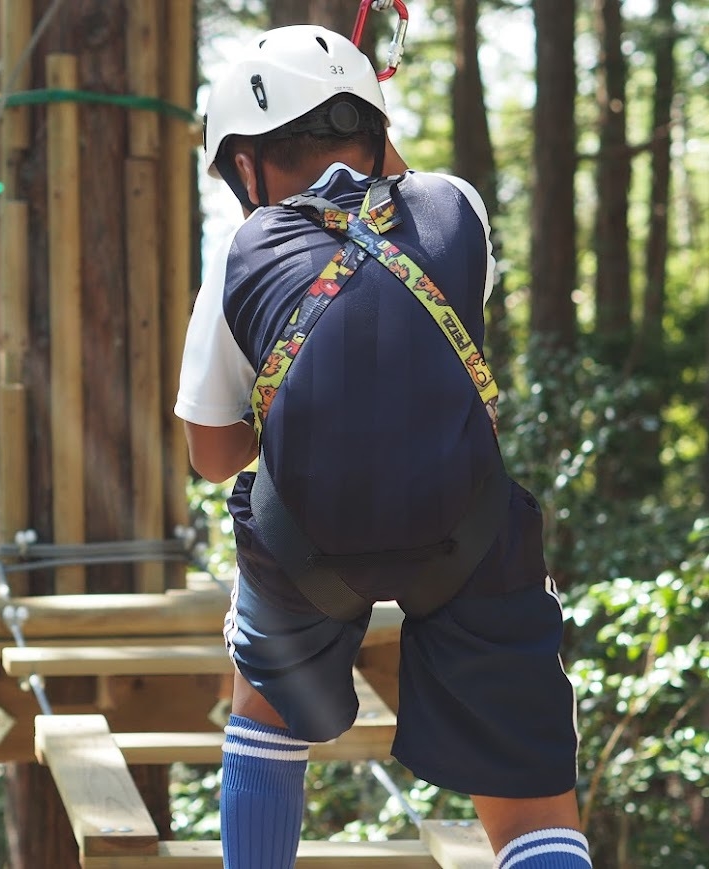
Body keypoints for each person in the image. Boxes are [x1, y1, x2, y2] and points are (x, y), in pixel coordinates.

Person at [174, 24, 590, 869]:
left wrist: (283, 409)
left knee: (262, 703)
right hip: (468, 535)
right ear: (374, 126)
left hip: (304, 553)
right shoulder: (457, 207)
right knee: (530, 794)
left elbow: (213, 456)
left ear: (244, 165)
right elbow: (397, 218)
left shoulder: (240, 254)